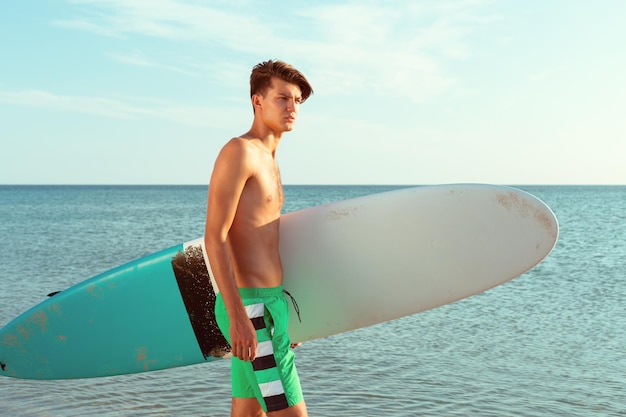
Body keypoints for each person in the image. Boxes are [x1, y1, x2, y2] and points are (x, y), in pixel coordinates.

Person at [204, 60, 313, 417]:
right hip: (250, 310)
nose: (292, 107)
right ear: (257, 101)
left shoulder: (270, 158)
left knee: (248, 413)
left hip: (268, 307)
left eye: (297, 100)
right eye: (283, 98)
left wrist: (280, 317)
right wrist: (238, 317)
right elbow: (214, 236)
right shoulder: (240, 152)